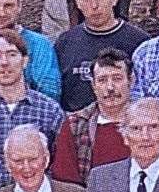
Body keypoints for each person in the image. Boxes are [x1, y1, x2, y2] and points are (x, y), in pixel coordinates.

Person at [0, 31, 66, 188]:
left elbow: (61, 165)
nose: (4, 62)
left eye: (12, 54)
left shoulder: (49, 110)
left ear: (25, 61)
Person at [54, 0, 151, 112]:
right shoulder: (65, 43)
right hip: (78, 129)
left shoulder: (139, 42)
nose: (94, 5)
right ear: (77, 3)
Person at [51, 48, 135, 184]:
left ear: (131, 81)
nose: (110, 87)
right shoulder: (75, 125)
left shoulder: (147, 123)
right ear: (93, 86)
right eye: (102, 80)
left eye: (117, 79)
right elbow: (66, 181)